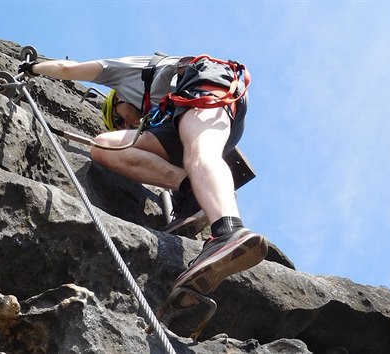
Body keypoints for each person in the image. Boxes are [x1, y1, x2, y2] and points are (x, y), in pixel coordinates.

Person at [18, 53, 268, 307]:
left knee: (200, 154)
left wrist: (32, 67)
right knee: (103, 146)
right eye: (121, 125)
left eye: (118, 118)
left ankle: (228, 231)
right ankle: (193, 192)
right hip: (188, 115)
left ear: (119, 98)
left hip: (205, 83)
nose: (125, 124)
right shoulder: (159, 115)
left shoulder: (123, 74)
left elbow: (66, 68)